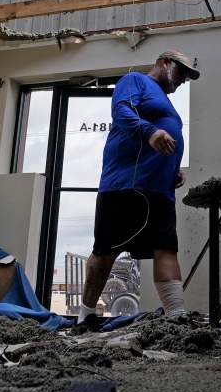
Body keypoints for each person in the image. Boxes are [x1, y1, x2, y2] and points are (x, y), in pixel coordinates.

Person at [77, 50, 200, 326]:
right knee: (106, 250)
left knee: (166, 248)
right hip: (124, 187)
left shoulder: (166, 103)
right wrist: (150, 132)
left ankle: (177, 318)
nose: (183, 80)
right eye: (181, 72)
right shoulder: (135, 81)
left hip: (160, 191)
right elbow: (121, 111)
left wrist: (172, 170)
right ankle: (85, 316)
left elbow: (165, 138)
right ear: (164, 63)